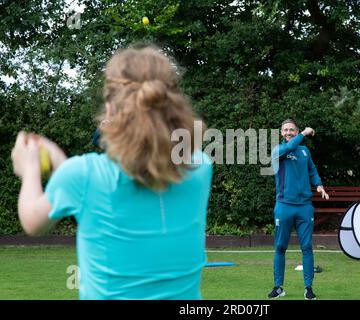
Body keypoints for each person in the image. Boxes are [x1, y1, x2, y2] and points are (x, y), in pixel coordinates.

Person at [11, 45, 213, 300]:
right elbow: (92, 192)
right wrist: (60, 162)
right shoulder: (200, 167)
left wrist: (29, 169)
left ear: (110, 111)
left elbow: (33, 221)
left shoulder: (83, 176)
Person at [268, 118, 329, 300]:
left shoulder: (304, 151)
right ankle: (279, 287)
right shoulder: (278, 150)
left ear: (296, 131)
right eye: (285, 130)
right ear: (281, 133)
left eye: (292, 130)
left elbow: (312, 170)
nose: (288, 132)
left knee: (306, 247)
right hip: (284, 206)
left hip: (304, 208)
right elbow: (289, 148)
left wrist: (318, 184)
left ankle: (308, 289)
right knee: (280, 247)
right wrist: (303, 133)